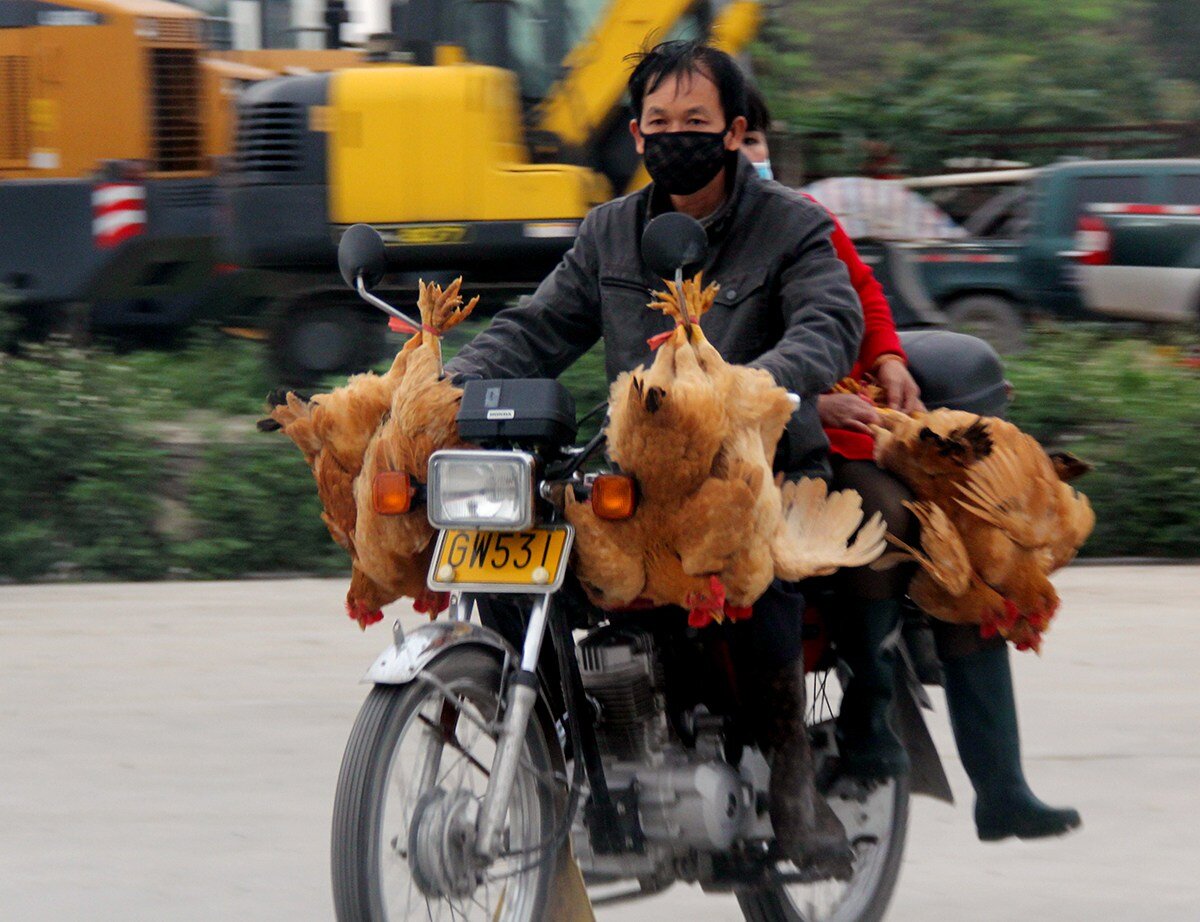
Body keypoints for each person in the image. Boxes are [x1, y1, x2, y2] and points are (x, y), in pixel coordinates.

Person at [447, 40, 863, 875]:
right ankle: (575, 752)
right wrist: (446, 383)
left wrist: (753, 387)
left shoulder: (793, 224)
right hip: (635, 468)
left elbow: (830, 320)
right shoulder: (608, 232)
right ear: (637, 135)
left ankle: (789, 778)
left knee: (757, 557)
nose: (676, 136)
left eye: (696, 122)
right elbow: (540, 326)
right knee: (507, 555)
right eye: (659, 122)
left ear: (736, 130)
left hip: (760, 457)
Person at [742, 86, 1081, 841]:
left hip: (846, 427)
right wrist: (804, 405)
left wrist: (889, 356)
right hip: (753, 444)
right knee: (887, 523)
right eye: (724, 138)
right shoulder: (656, 235)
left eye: (754, 140)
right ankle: (870, 724)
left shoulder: (802, 219)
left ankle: (998, 784)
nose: (745, 156)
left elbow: (860, 295)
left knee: (967, 550)